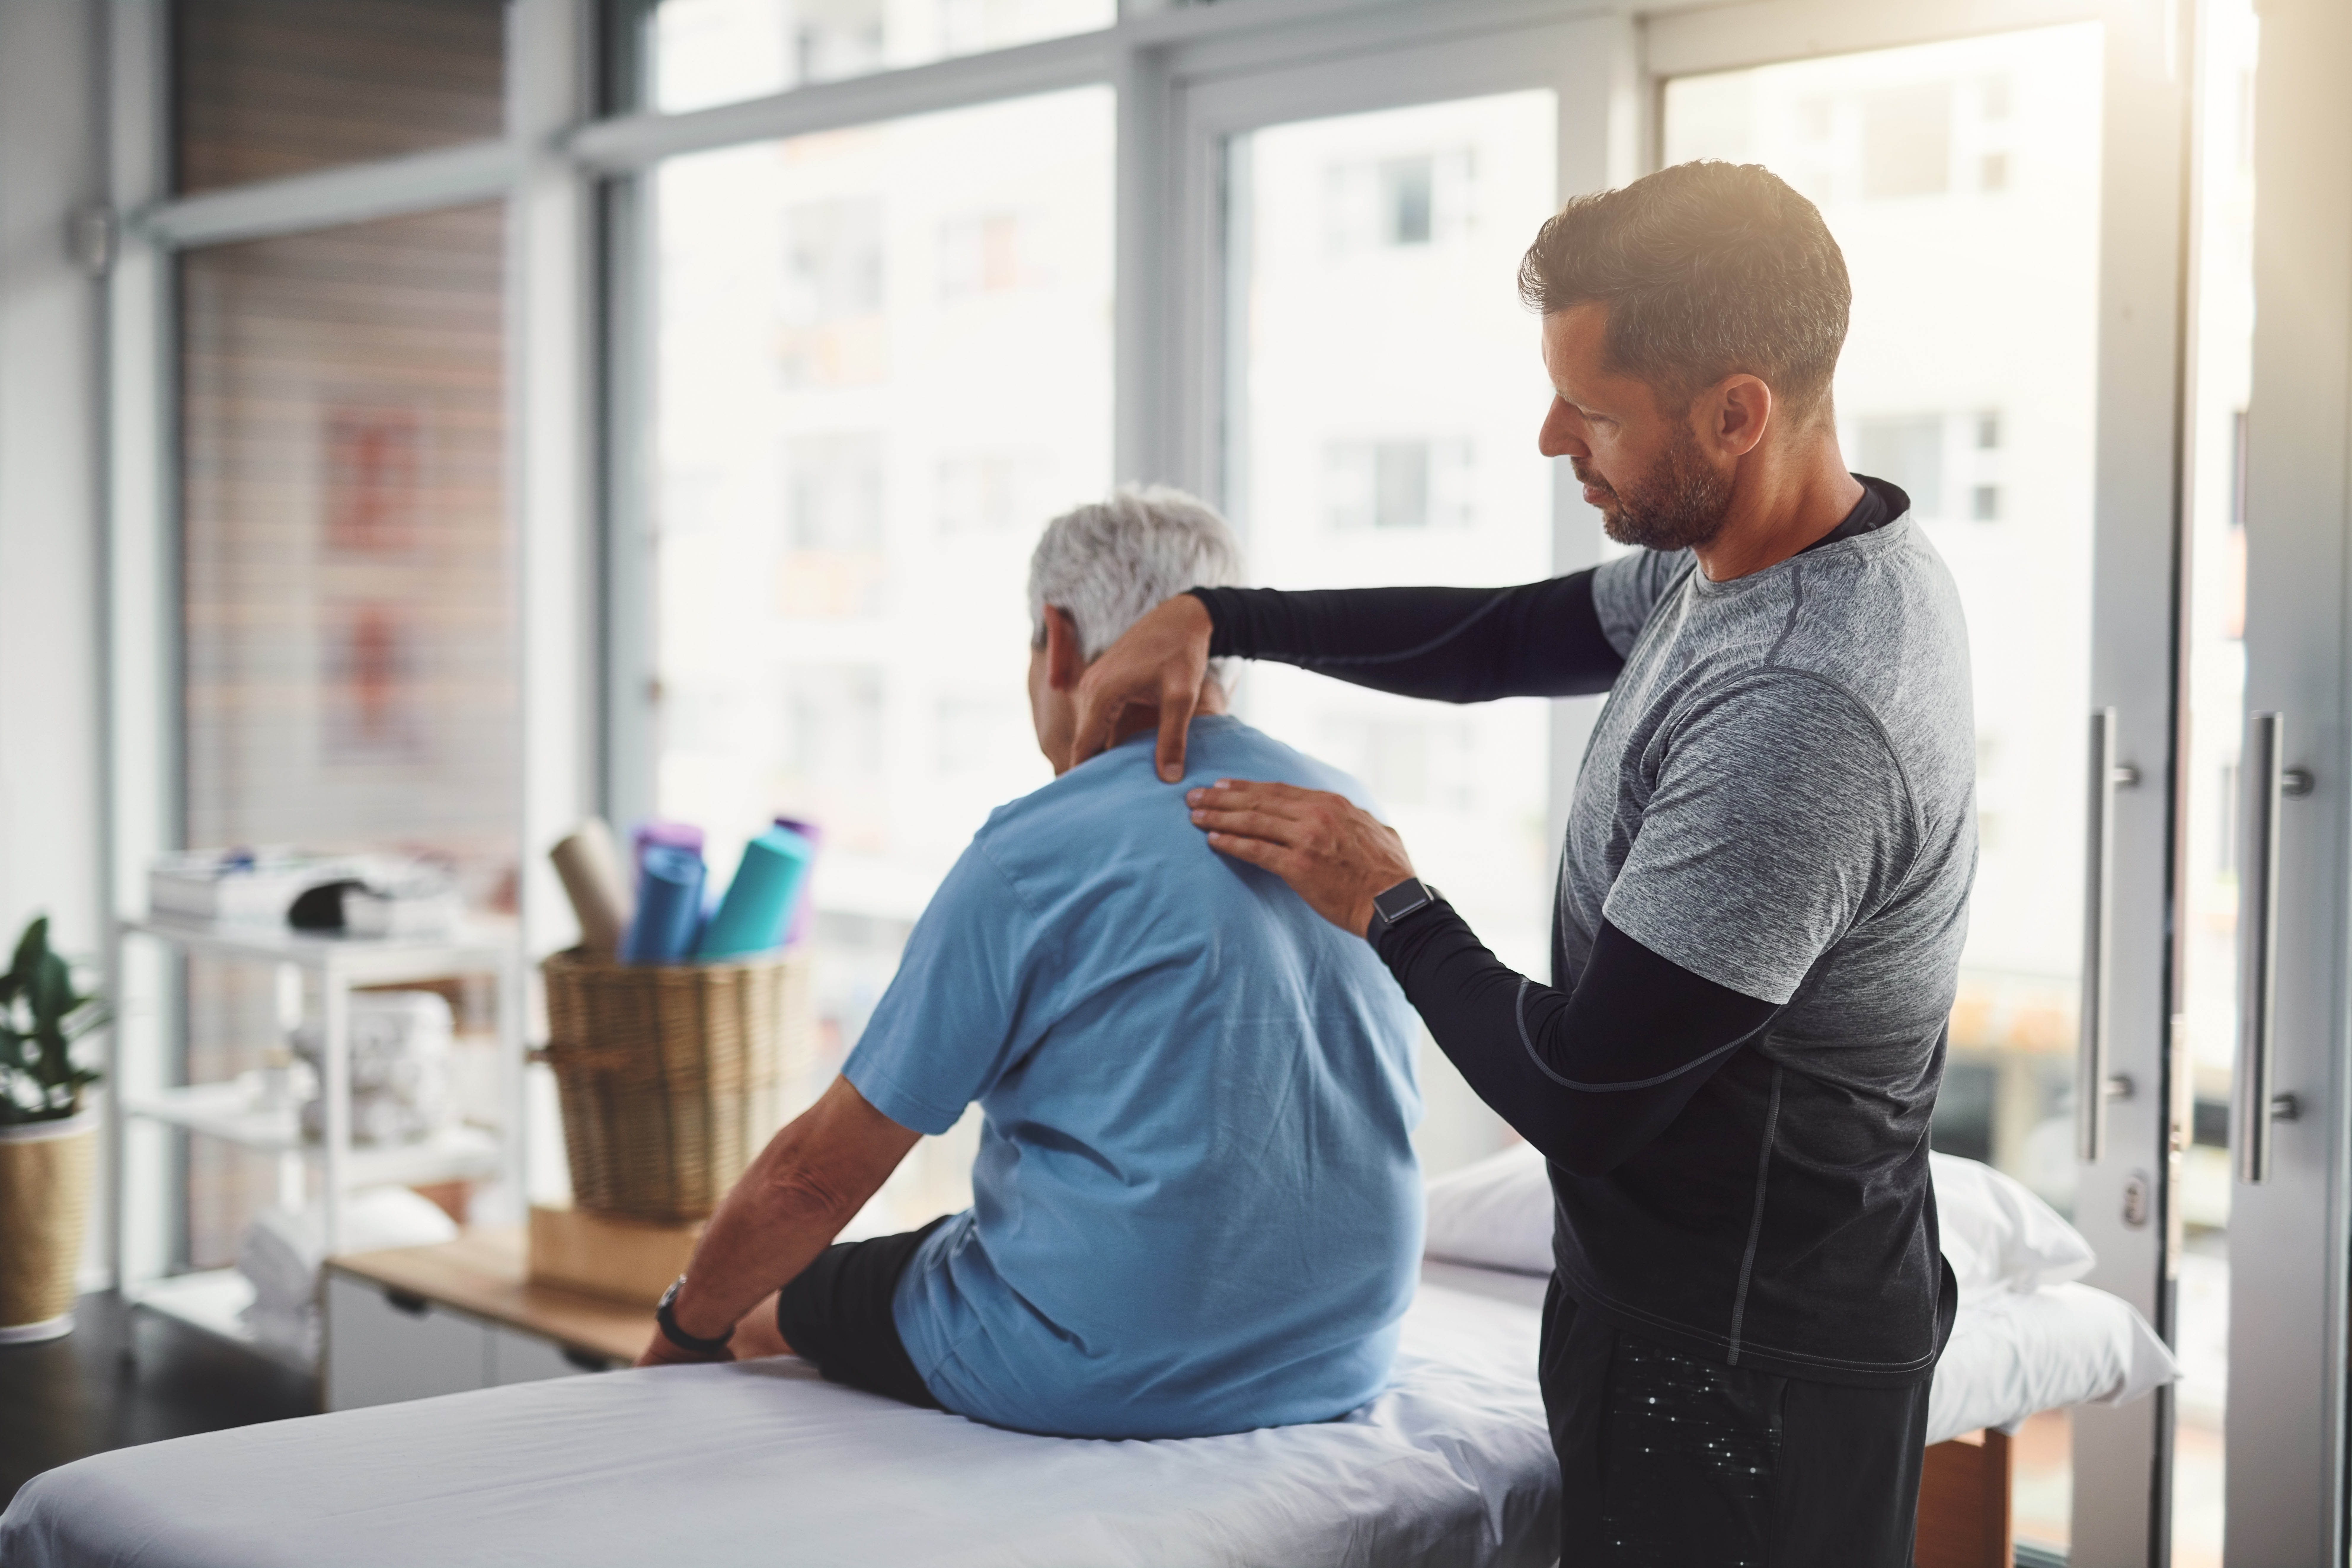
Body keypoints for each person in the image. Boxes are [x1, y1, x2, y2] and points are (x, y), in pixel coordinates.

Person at [1070, 161, 1974, 1563]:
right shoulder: (1752, 552)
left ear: (1737, 412)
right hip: (1697, 1317)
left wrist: (1384, 898)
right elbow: (1501, 638)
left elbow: (1584, 1093)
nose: (1554, 436)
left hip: (1739, 1371)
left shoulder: (1801, 707)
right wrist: (1218, 614)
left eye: (1595, 410)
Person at [636, 486, 1425, 1442]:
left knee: (771, 1302)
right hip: (1337, 1356)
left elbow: (811, 1181)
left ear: (1058, 642)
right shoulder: (1347, 813)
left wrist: (680, 1329)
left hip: (1093, 1366)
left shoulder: (1036, 850)